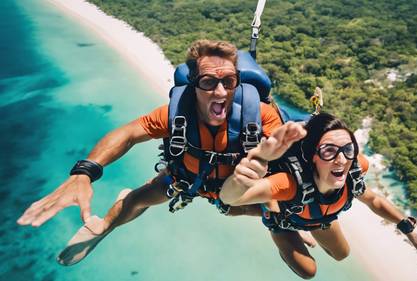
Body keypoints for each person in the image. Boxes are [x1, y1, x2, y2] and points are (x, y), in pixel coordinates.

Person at [16, 39, 288, 265]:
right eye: (207, 82)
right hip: (183, 180)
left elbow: (283, 163)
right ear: (193, 85)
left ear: (237, 83)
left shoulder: (260, 116)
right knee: (135, 201)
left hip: (235, 190)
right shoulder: (176, 115)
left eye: (228, 82)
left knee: (267, 210)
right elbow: (129, 133)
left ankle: (277, 219)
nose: (219, 91)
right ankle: (103, 226)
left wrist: (281, 208)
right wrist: (85, 172)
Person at [219, 113, 417, 279]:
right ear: (312, 156)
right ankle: (271, 213)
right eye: (329, 151)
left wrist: (409, 231)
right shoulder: (289, 184)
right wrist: (243, 175)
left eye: (348, 149)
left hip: (318, 219)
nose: (341, 160)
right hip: (285, 218)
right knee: (308, 271)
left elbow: (373, 199)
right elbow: (231, 198)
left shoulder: (354, 168)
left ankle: (287, 216)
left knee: (341, 254)